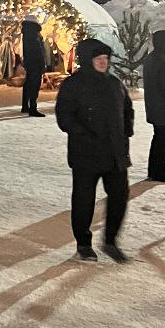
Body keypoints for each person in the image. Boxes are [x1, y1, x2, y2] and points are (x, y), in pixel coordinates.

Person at [55, 37, 133, 262]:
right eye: (98, 58)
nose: (102, 62)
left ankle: (110, 241)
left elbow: (127, 109)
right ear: (88, 60)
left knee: (119, 195)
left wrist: (126, 130)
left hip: (114, 152)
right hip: (86, 154)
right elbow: (65, 117)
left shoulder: (114, 83)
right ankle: (83, 243)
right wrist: (84, 134)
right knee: (83, 200)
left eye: (105, 59)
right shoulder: (73, 84)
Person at [142, 28, 165, 183]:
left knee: (158, 139)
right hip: (164, 110)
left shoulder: (152, 59)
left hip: (155, 107)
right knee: (163, 141)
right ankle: (158, 171)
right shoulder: (164, 63)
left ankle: (155, 170)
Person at [21, 13, 47, 117]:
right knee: (34, 86)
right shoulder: (34, 34)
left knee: (28, 84)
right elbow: (38, 50)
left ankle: (25, 106)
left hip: (30, 62)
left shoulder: (27, 32)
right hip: (36, 63)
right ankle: (33, 107)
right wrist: (42, 64)